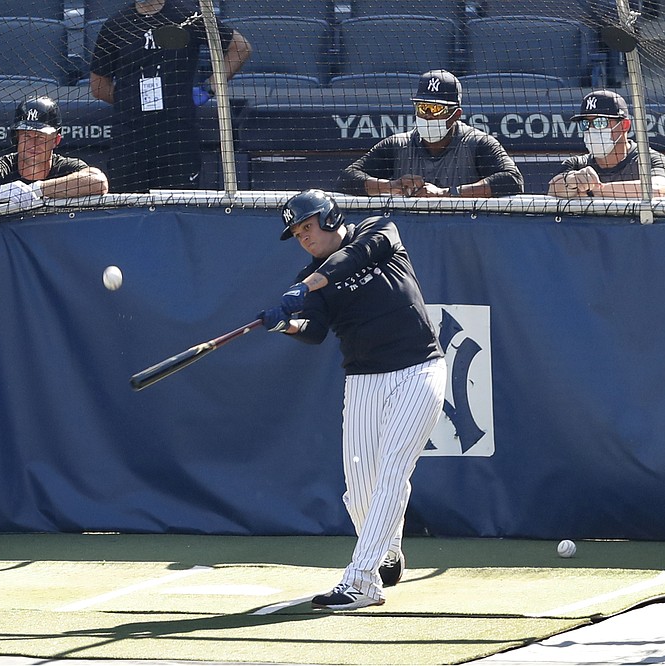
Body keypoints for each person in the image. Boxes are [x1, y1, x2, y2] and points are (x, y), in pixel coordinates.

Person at [258, 189, 446, 611]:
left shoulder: (378, 231)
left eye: (308, 227)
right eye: (296, 232)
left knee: (392, 471)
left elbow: (353, 259)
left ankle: (361, 581)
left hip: (419, 370)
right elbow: (314, 331)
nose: (304, 238)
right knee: (359, 493)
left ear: (330, 217)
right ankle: (388, 551)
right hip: (363, 379)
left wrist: (303, 286)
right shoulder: (313, 280)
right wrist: (285, 326)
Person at [89, 0, 251, 193]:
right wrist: (131, 100)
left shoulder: (189, 16)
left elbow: (240, 48)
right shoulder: (116, 25)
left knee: (180, 204)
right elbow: (98, 85)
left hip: (177, 136)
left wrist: (209, 88)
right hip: (130, 138)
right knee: (127, 207)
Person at [335, 70, 524, 198]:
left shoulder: (478, 143)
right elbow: (346, 180)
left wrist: (446, 194)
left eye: (435, 109)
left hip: (463, 235)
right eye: (422, 107)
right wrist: (391, 186)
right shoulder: (397, 145)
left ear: (455, 114)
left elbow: (513, 181)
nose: (427, 115)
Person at [0, 97, 109, 214]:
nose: (33, 143)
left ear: (56, 140)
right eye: (27, 136)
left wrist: (37, 189)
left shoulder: (66, 168)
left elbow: (98, 182)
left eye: (40, 137)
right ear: (17, 137)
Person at [548, 90, 665, 198]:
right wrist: (571, 181)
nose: (591, 129)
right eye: (585, 124)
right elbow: (553, 189)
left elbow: (657, 189)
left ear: (624, 125)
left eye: (600, 122)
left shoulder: (648, 159)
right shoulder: (577, 163)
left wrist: (595, 190)